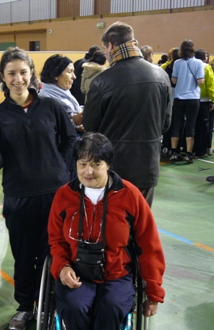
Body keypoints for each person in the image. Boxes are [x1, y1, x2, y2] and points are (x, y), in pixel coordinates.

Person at [0, 47, 76, 330]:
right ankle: (24, 307)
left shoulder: (52, 107)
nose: (18, 79)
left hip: (55, 195)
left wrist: (61, 171)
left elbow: (70, 140)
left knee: (54, 253)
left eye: (23, 72)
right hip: (19, 198)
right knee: (23, 255)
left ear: (31, 74)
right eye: (11, 74)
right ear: (3, 78)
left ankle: (52, 306)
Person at [48, 132, 165, 330]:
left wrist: (154, 292)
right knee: (74, 307)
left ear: (108, 165)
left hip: (117, 274)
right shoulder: (64, 196)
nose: (88, 171)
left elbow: (149, 246)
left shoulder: (130, 195)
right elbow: (56, 240)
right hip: (77, 272)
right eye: (82, 164)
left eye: (96, 164)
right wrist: (62, 267)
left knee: (110, 308)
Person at [83, 21, 172, 207]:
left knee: (115, 224)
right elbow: (166, 123)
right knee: (141, 223)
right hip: (148, 165)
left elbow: (91, 127)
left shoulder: (102, 81)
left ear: (110, 46)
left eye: (105, 49)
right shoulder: (161, 76)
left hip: (114, 167)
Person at [39, 54, 83, 178]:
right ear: (55, 75)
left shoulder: (65, 94)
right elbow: (46, 129)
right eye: (70, 72)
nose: (74, 76)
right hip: (60, 157)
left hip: (72, 154)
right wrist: (72, 121)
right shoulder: (45, 99)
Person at [169, 39, 205, 163]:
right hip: (193, 98)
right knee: (191, 125)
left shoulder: (177, 63)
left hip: (179, 97)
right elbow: (200, 81)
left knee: (177, 124)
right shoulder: (199, 63)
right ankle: (189, 153)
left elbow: (173, 80)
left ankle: (174, 152)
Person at [193, 49, 214, 157]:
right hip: (204, 100)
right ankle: (202, 150)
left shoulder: (191, 66)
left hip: (192, 99)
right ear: (204, 57)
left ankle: (192, 149)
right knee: (204, 126)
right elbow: (210, 86)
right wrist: (213, 99)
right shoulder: (206, 67)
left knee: (194, 126)